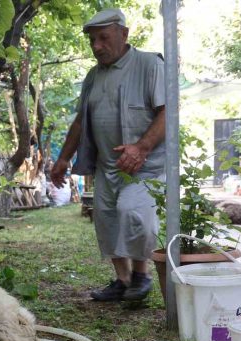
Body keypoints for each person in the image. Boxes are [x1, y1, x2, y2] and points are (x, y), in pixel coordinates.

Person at [50, 8, 166, 302]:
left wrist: (141, 148)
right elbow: (80, 121)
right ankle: (123, 280)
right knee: (107, 219)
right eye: (92, 40)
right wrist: (64, 158)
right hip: (107, 166)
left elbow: (169, 113)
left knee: (134, 213)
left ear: (124, 34)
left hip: (146, 166)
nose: (96, 46)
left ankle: (142, 275)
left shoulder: (149, 64)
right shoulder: (92, 76)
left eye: (103, 38)